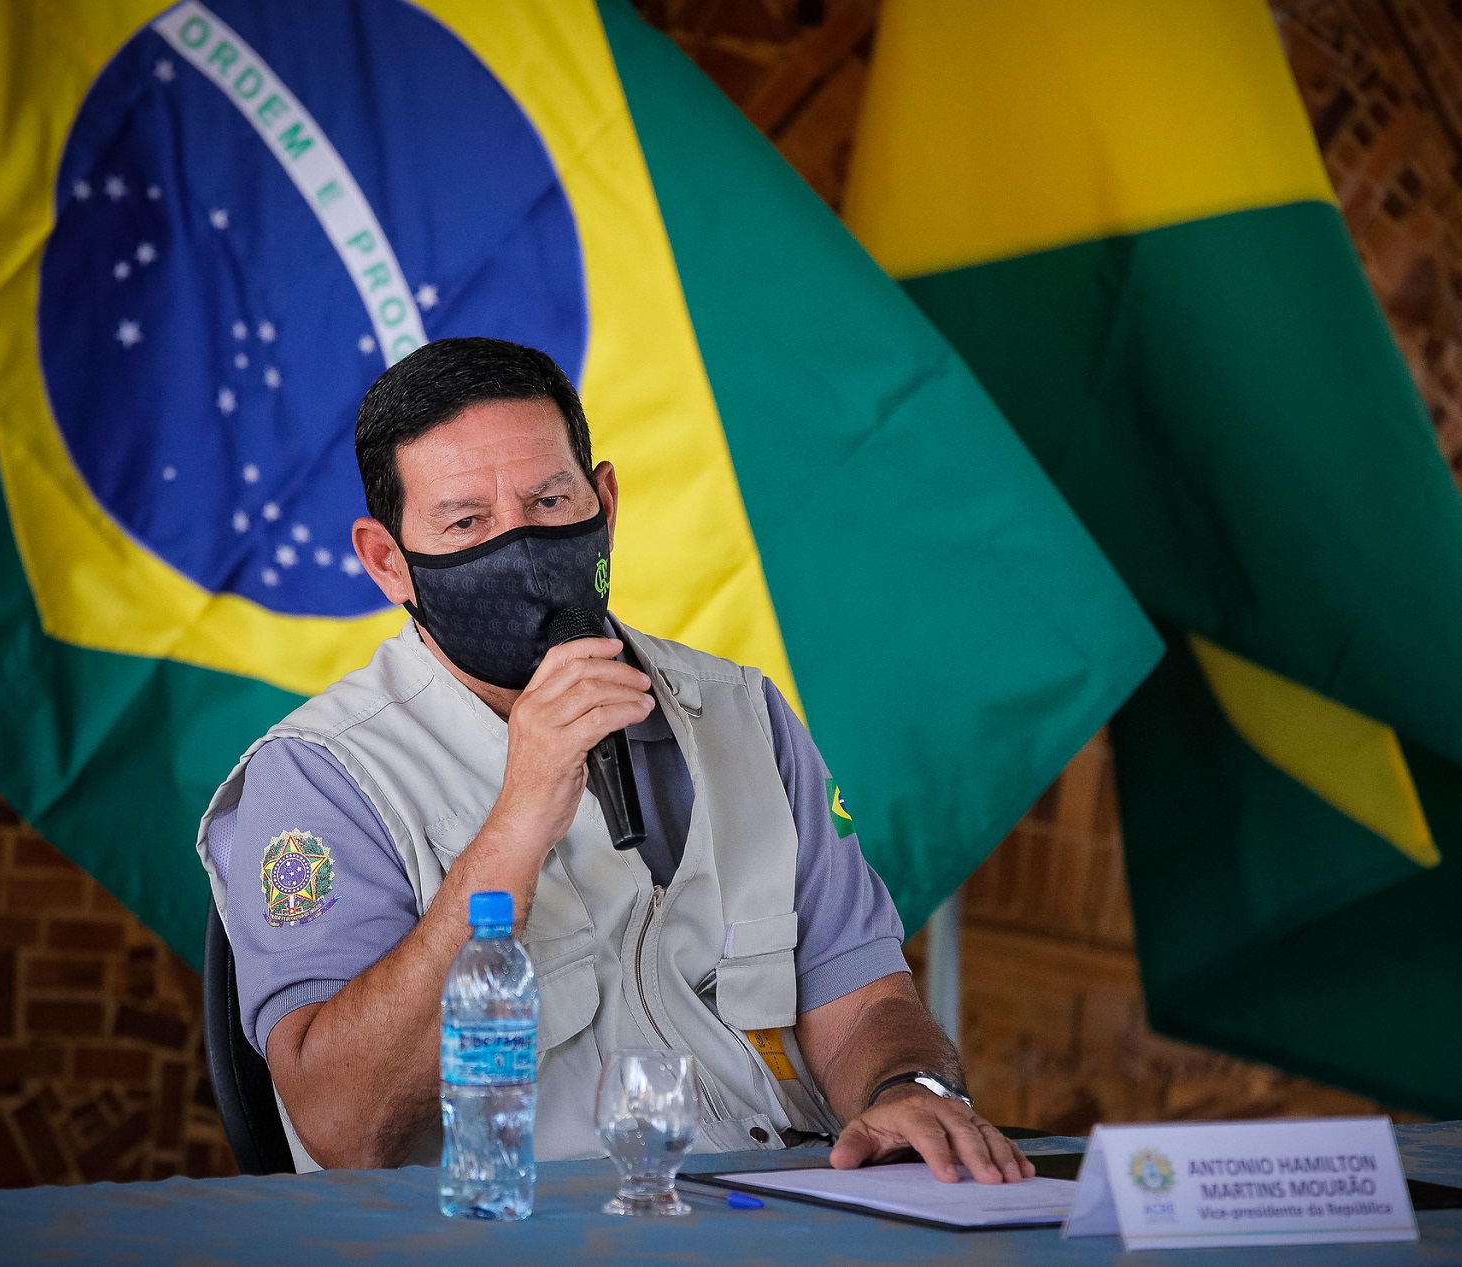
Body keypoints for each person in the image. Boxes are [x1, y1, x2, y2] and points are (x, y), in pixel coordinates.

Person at [197, 337, 1033, 1184]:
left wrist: (912, 1086)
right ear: (388, 561)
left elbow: (865, 1004)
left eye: (550, 500)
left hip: (780, 1208)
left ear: (603, 500)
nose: (519, 546)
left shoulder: (744, 714)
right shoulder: (320, 775)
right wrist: (518, 821)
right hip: (517, 1237)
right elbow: (346, 1127)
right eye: (466, 522)